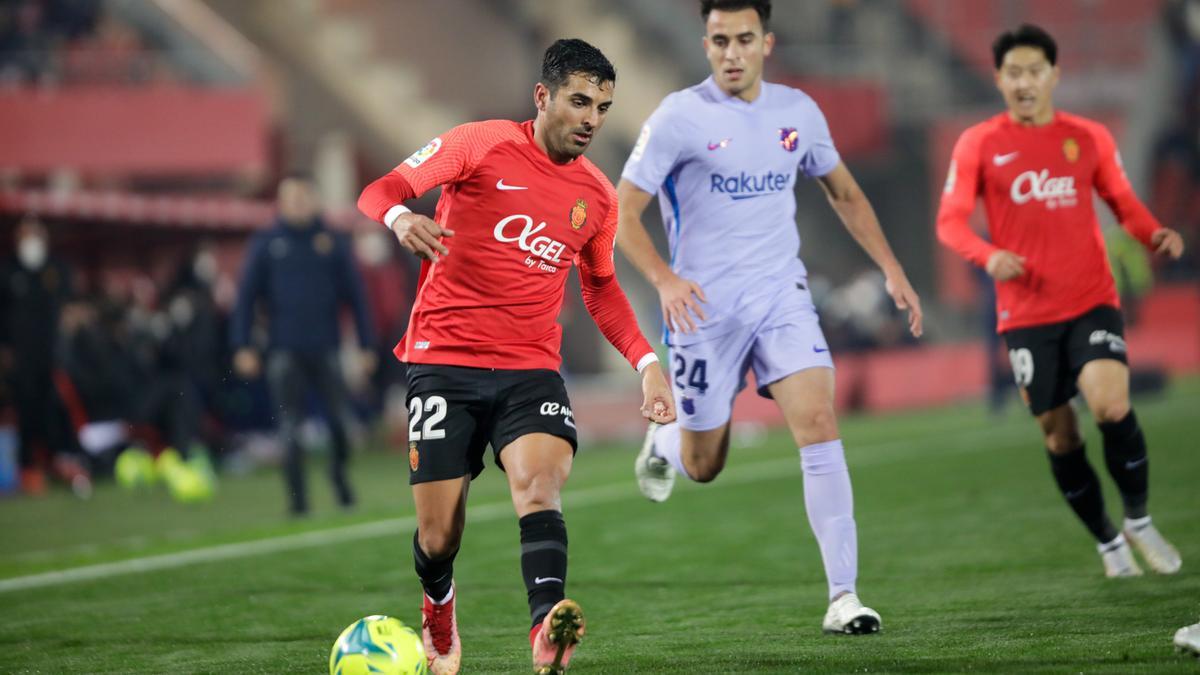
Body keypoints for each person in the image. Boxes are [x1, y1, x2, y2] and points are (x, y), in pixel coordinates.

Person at [357, 39, 675, 675]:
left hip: (530, 370)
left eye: (603, 107)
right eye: (579, 101)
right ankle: (438, 607)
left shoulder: (598, 197)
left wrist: (646, 362)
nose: (591, 118)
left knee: (539, 485)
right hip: (443, 361)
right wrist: (398, 217)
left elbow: (602, 286)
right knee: (438, 536)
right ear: (543, 96)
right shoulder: (479, 144)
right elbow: (382, 186)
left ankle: (545, 628)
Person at [617, 0, 922, 635]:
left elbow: (843, 191)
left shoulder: (798, 113)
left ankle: (844, 597)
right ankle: (669, 441)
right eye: (720, 39)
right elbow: (621, 212)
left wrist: (891, 268)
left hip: (782, 296)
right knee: (706, 466)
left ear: (767, 42)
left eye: (744, 39)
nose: (732, 52)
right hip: (702, 311)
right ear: (705, 43)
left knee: (817, 418)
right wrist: (665, 280)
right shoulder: (679, 117)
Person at [937, 24, 1185, 577]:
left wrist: (1152, 234)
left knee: (1110, 406)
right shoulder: (979, 143)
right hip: (1024, 313)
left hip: (1091, 297)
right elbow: (949, 222)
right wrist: (987, 255)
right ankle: (1106, 538)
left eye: (1034, 71)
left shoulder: (1088, 136)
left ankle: (1139, 519)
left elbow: (1122, 201)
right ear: (999, 79)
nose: (1025, 82)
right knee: (1059, 434)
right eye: (1014, 73)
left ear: (1054, 75)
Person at [231, 174, 377, 516]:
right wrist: (242, 344)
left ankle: (339, 478)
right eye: (290, 197)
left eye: (302, 196)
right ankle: (298, 503)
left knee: (341, 425)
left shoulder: (333, 241)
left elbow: (357, 298)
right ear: (280, 202)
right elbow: (245, 299)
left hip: (327, 348)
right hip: (283, 349)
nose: (296, 203)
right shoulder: (266, 242)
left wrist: (366, 345)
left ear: (315, 199)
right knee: (289, 429)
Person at [0, 215, 81, 494]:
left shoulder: (56, 269)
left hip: (53, 355)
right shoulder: (7, 271)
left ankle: (61, 461)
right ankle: (29, 469)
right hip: (20, 358)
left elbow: (71, 306)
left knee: (56, 409)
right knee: (26, 412)